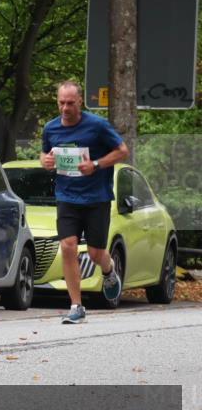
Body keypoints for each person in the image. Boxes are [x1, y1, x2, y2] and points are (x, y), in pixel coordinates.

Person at [40, 81, 129, 324]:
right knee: (68, 247)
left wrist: (96, 164)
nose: (65, 108)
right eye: (61, 103)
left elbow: (122, 150)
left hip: (96, 198)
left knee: (95, 252)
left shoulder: (97, 125)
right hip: (67, 196)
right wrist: (45, 161)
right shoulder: (50, 128)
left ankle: (109, 270)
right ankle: (76, 306)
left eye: (70, 103)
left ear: (80, 101)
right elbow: (44, 153)